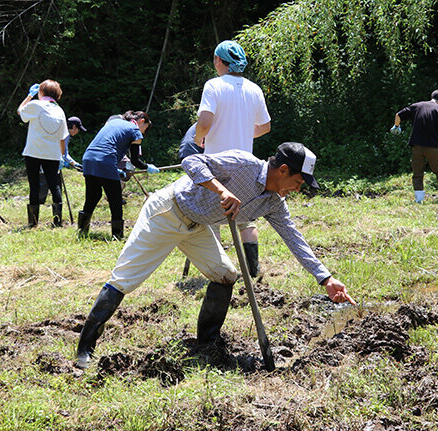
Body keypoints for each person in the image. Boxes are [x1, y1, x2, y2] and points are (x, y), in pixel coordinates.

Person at [75, 142, 356, 369]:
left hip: (197, 226)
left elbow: (294, 238)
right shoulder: (243, 164)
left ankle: (207, 344)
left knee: (226, 275)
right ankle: (85, 348)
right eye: (298, 182)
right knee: (126, 278)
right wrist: (222, 190)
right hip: (168, 211)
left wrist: (325, 278)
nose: (298, 189)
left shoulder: (274, 202)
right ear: (283, 170)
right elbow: (191, 161)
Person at [194, 40, 272, 277]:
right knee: (245, 218)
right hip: (246, 164)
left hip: (217, 163)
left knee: (211, 216)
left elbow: (205, 122)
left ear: (218, 61)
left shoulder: (214, 85)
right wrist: (244, 132)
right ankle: (253, 270)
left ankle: (219, 271)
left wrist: (200, 139)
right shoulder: (254, 89)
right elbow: (265, 126)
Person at [79, 110, 159, 239]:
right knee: (115, 200)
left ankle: (81, 232)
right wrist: (147, 167)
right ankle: (117, 236)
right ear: (142, 121)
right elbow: (134, 160)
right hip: (106, 160)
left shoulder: (114, 121)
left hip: (88, 158)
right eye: (145, 129)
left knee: (92, 197)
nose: (143, 132)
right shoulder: (135, 130)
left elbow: (106, 144)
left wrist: (114, 169)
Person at [390, 90, 438, 203]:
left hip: (416, 146)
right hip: (431, 147)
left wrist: (396, 126)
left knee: (417, 173)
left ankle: (419, 200)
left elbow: (398, 115)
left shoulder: (417, 106)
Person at [17, 79, 68, 228]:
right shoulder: (59, 110)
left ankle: (33, 223)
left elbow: (20, 111)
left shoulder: (35, 105)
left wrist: (29, 96)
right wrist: (62, 156)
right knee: (55, 186)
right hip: (52, 154)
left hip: (33, 152)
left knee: (34, 186)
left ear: (41, 92)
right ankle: (57, 222)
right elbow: (62, 137)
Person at [38, 116, 85, 205]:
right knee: (52, 189)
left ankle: (36, 213)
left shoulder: (59, 130)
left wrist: (74, 164)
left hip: (47, 161)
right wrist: (75, 164)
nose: (78, 132)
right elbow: (64, 153)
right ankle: (55, 214)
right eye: (78, 129)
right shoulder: (65, 134)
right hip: (51, 163)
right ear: (74, 127)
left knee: (47, 189)